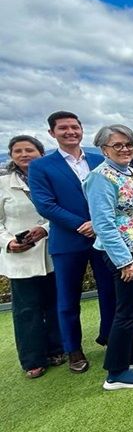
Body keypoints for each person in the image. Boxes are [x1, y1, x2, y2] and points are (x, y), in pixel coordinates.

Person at [28, 111, 115, 374]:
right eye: (63, 128)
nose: (70, 132)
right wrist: (81, 224)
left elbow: (113, 195)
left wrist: (98, 223)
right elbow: (45, 204)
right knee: (67, 298)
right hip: (67, 240)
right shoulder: (41, 166)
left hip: (103, 237)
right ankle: (73, 349)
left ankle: (110, 337)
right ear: (52, 133)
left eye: (74, 127)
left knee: (110, 290)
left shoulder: (100, 160)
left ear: (81, 130)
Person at [84, 124, 133, 390]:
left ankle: (130, 355)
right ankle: (116, 372)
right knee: (127, 309)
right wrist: (124, 261)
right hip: (125, 252)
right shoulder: (101, 177)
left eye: (128, 144)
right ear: (103, 148)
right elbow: (103, 224)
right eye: (117, 145)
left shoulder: (128, 172)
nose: (125, 149)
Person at [1, 136, 65, 379]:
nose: (24, 154)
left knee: (55, 303)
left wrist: (45, 229)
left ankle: (57, 349)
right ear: (11, 155)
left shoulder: (51, 178)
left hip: (51, 248)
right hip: (22, 255)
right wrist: (8, 242)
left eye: (30, 150)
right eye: (18, 151)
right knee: (26, 309)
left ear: (41, 153)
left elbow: (60, 208)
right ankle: (32, 359)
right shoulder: (4, 183)